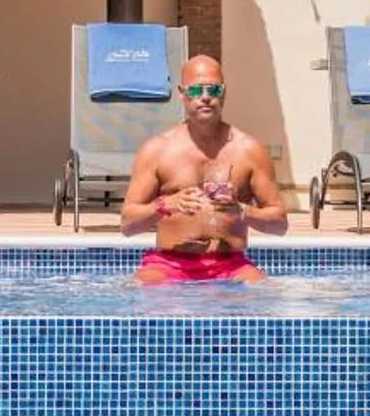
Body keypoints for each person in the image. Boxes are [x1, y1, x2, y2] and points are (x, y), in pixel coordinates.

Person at [118, 55, 289, 283]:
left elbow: (280, 224)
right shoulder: (157, 150)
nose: (206, 97)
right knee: (142, 287)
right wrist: (165, 205)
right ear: (182, 93)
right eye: (197, 90)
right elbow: (128, 225)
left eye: (214, 90)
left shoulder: (249, 150)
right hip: (169, 264)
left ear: (224, 92)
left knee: (261, 290)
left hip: (230, 264)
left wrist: (242, 211)